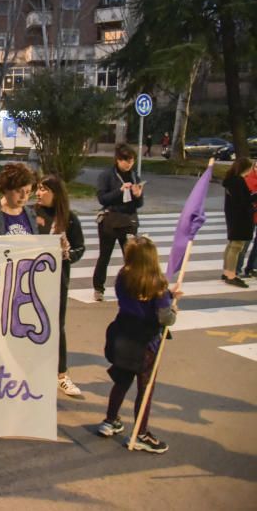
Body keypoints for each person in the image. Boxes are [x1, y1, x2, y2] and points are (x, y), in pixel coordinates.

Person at [99, 236, 182, 453]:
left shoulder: (123, 277)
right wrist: (173, 308)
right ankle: (141, 434)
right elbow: (165, 318)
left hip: (122, 336)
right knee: (145, 389)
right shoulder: (158, 286)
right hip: (146, 344)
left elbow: (135, 299)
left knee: (121, 381)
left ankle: (110, 420)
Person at [35, 174, 86, 396]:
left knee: (57, 326)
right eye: (38, 189)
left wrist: (67, 254)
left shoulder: (69, 218)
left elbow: (80, 247)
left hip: (57, 281)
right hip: (31, 280)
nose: (39, 193)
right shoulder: (30, 214)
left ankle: (61, 375)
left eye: (44, 189)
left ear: (56, 194)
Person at [93, 144, 144, 302]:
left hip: (128, 220)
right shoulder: (107, 175)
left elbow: (139, 204)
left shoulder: (135, 176)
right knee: (105, 255)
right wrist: (119, 191)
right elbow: (102, 198)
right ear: (117, 160)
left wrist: (138, 195)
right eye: (125, 160)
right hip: (111, 220)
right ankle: (98, 288)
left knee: (130, 257)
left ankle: (131, 288)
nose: (128, 164)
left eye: (131, 161)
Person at [221, 158, 255, 288]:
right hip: (240, 217)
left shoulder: (231, 181)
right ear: (245, 168)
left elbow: (238, 200)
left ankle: (226, 272)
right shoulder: (238, 182)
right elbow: (243, 202)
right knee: (236, 246)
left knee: (231, 245)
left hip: (233, 216)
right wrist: (253, 199)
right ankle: (231, 275)